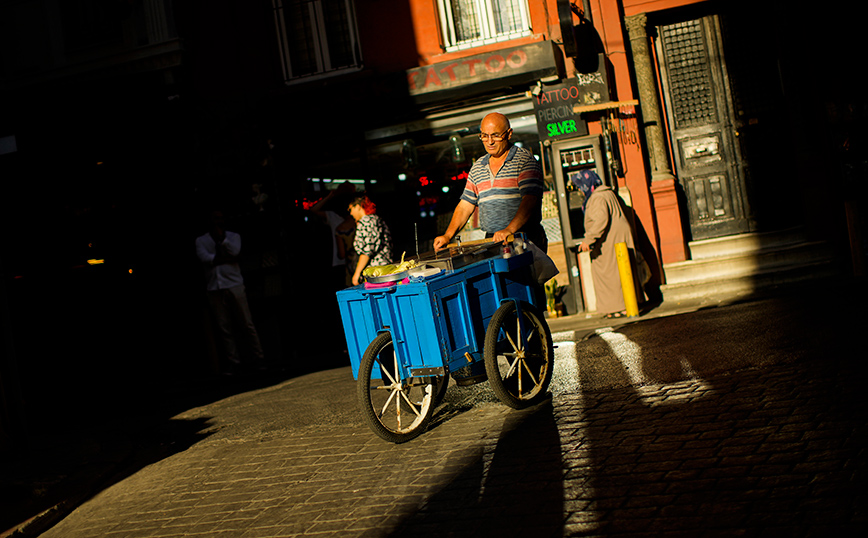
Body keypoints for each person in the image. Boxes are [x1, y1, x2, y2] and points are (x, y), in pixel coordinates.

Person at [433, 112, 547, 253]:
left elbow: (530, 200)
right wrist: (447, 235)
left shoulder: (524, 160)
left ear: (509, 134)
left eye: (495, 135)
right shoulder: (478, 167)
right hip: (493, 240)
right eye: (484, 136)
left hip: (525, 237)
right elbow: (465, 206)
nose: (490, 141)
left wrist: (509, 230)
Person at [195, 210, 265, 373]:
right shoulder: (201, 240)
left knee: (246, 323)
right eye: (214, 219)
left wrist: (222, 240)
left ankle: (258, 357)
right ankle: (234, 361)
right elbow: (206, 259)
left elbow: (235, 253)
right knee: (224, 326)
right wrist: (227, 259)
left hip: (234, 284)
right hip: (215, 287)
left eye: (220, 219)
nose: (217, 223)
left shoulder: (233, 237)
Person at [578, 183, 637, 319]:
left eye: (579, 186)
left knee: (608, 274)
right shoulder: (608, 193)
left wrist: (589, 239)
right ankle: (624, 306)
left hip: (609, 240)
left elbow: (600, 219)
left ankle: (616, 309)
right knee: (619, 273)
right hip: (616, 238)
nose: (580, 191)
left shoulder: (598, 197)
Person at [309, 182, 357, 290]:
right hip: (341, 262)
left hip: (353, 261)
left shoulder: (358, 216)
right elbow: (313, 210)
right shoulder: (333, 216)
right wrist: (329, 197)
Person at [349, 195, 394, 286]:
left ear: (358, 207)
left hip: (376, 272)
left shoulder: (366, 221)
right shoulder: (375, 219)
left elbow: (367, 250)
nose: (350, 214)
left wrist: (357, 273)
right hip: (384, 268)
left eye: (350, 210)